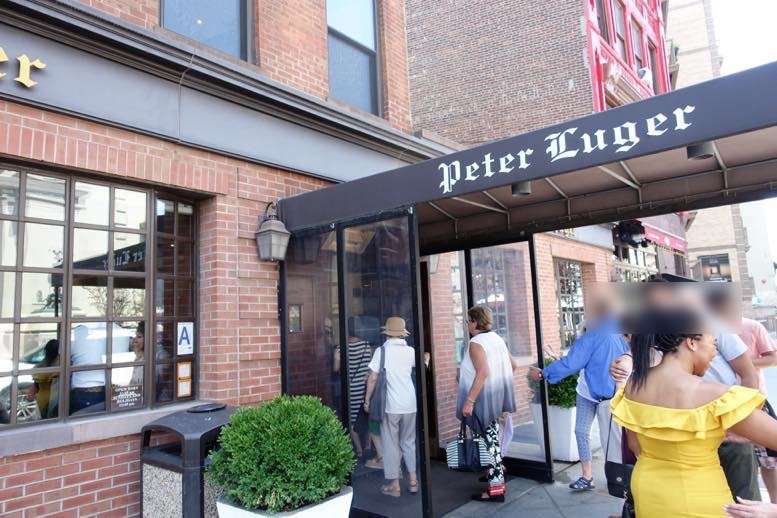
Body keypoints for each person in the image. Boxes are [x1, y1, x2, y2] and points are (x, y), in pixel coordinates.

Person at [611, 307, 777, 517]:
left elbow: (635, 446)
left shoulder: (633, 385)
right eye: (713, 343)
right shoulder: (716, 396)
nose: (714, 352)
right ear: (691, 342)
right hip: (698, 500)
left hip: (648, 493)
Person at [529, 299, 628, 491]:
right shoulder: (622, 333)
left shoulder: (597, 336)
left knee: (598, 436)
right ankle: (598, 477)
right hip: (592, 392)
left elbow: (572, 363)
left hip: (605, 396)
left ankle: (609, 479)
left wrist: (543, 373)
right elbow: (580, 362)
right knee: (605, 437)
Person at [457, 305, 516, 502]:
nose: (467, 325)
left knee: (489, 445)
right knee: (492, 442)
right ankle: (495, 475)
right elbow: (513, 365)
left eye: (468, 321)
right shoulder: (497, 339)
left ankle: (496, 491)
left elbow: (483, 372)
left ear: (475, 322)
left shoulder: (476, 343)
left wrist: (469, 400)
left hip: (483, 402)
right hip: (496, 400)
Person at [363, 317, 417, 498]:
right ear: (402, 334)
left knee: (391, 444)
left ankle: (394, 485)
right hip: (410, 403)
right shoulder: (410, 351)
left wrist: (367, 400)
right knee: (408, 442)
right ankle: (413, 480)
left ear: (387, 333)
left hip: (390, 405)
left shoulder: (381, 351)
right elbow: (420, 365)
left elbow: (372, 378)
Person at [70, 324, 106, 414]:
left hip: (82, 389)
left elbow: (61, 360)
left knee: (80, 417)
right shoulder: (97, 343)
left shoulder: (73, 344)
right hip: (100, 388)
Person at [31, 338, 60, 419]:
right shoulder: (60, 365)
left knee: (44, 421)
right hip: (55, 399)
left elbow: (36, 385)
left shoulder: (40, 365)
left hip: (42, 399)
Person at [129, 322, 144, 387]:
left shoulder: (159, 357)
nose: (134, 340)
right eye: (135, 336)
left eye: (139, 337)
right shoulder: (138, 358)